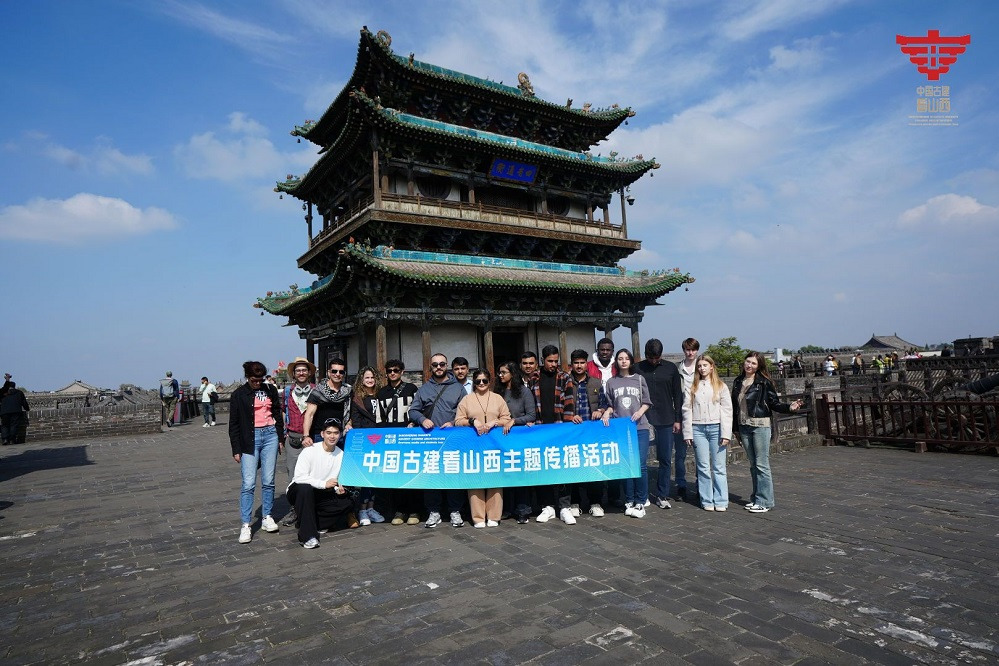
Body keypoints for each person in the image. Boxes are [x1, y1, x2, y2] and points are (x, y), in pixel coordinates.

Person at [731, 351, 803, 514]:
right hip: (743, 426)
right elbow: (735, 408)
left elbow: (774, 403)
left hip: (760, 425)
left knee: (761, 464)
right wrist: (735, 429)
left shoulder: (764, 382)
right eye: (748, 361)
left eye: (753, 363)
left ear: (759, 366)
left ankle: (765, 501)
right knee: (753, 464)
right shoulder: (738, 381)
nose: (749, 365)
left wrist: (789, 407)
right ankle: (756, 498)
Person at [409, 353, 468, 528]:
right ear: (431, 367)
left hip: (453, 437)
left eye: (442, 364)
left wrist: (454, 422)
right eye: (435, 365)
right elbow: (413, 410)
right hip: (431, 439)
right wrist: (422, 419)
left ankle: (455, 510)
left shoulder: (458, 388)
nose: (439, 367)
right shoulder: (424, 389)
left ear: (447, 365)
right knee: (431, 475)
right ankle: (433, 511)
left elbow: (466, 411)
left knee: (453, 473)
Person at [229, 361, 284, 543]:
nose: (257, 383)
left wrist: (280, 437)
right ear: (247, 377)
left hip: (270, 435)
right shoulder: (238, 394)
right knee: (248, 483)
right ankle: (246, 524)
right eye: (254, 380)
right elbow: (234, 423)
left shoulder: (270, 390)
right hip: (249, 438)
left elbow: (277, 413)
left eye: (260, 380)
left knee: (268, 480)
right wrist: (236, 449)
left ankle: (267, 516)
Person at [287, 418, 358, 548]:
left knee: (348, 502)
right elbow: (299, 478)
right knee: (305, 489)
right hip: (300, 491)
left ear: (340, 435)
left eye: (336, 433)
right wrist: (323, 484)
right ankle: (308, 536)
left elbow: (336, 481)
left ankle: (308, 521)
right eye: (329, 433)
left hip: (323, 493)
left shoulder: (341, 454)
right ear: (322, 434)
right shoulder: (310, 450)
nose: (332, 436)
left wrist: (338, 490)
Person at [455, 369, 512, 528]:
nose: (481, 383)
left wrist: (495, 422)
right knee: (475, 479)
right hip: (474, 445)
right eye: (478, 381)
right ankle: (478, 517)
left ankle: (494, 515)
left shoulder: (497, 398)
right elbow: (458, 420)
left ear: (489, 382)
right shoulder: (467, 399)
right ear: (474, 382)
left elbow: (507, 418)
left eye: (484, 381)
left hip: (494, 444)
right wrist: (472, 421)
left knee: (495, 478)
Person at [528, 345, 576, 525]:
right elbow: (530, 404)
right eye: (550, 361)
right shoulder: (534, 378)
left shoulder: (564, 377)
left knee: (563, 467)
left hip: (559, 429)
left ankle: (564, 507)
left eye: (556, 361)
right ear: (543, 360)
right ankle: (547, 506)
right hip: (540, 429)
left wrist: (567, 427)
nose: (553, 364)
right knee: (542, 467)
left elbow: (569, 404)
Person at [602, 348, 652, 518]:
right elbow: (611, 404)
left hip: (639, 427)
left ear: (631, 361)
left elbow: (647, 402)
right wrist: (607, 412)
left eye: (626, 358)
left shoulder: (639, 379)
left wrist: (640, 412)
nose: (623, 361)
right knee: (626, 464)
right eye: (620, 358)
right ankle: (629, 499)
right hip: (621, 429)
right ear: (616, 361)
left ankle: (641, 501)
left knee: (641, 464)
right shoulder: (611, 382)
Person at [636, 338, 683, 510]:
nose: (654, 361)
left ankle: (662, 494)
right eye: (650, 358)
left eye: (657, 358)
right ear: (645, 354)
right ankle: (641, 494)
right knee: (640, 460)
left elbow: (677, 395)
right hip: (643, 419)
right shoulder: (637, 368)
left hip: (666, 418)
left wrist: (677, 419)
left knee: (665, 458)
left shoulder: (671, 368)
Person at [682, 355, 733, 511]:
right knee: (703, 467)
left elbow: (727, 410)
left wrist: (726, 433)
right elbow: (687, 409)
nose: (702, 368)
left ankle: (721, 500)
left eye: (705, 365)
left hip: (716, 427)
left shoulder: (721, 386)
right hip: (698, 428)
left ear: (712, 367)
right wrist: (688, 433)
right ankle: (706, 499)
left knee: (719, 467)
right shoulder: (692, 387)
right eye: (699, 366)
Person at [376, 359, 421, 526]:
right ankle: (400, 510)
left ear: (402, 371)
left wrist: (414, 423)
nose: (392, 373)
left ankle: (415, 510)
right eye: (389, 371)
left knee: (411, 472)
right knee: (395, 475)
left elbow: (418, 409)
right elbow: (379, 418)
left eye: (395, 370)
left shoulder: (411, 389)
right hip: (391, 440)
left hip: (409, 438)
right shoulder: (382, 393)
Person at [496, 361, 536, 523]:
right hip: (501, 439)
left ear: (512, 374)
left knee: (520, 475)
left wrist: (514, 421)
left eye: (504, 372)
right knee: (504, 474)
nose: (500, 375)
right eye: (499, 372)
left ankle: (523, 510)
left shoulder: (524, 392)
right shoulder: (497, 392)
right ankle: (506, 509)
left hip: (520, 439)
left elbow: (531, 415)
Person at [569, 349, 607, 518]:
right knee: (573, 466)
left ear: (587, 364)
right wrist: (570, 416)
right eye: (576, 363)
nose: (579, 366)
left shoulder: (596, 383)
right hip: (572, 432)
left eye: (582, 362)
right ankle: (574, 502)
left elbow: (605, 403)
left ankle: (595, 502)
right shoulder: (565, 382)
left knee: (594, 466)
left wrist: (600, 410)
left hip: (592, 432)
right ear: (571, 364)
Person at [280, 357, 317, 527]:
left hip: (313, 438)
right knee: (293, 475)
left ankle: (313, 509)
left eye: (304, 370)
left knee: (314, 474)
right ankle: (295, 509)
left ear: (309, 373)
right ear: (293, 374)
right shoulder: (288, 392)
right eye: (298, 371)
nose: (301, 373)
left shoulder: (317, 390)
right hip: (293, 438)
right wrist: (284, 434)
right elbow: (283, 411)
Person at [350, 366, 385, 526]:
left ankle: (371, 508)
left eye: (372, 377)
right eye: (367, 378)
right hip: (366, 440)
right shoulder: (358, 398)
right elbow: (356, 421)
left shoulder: (380, 395)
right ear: (361, 380)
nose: (370, 380)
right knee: (365, 475)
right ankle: (362, 509)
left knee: (376, 475)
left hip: (380, 440)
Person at [302, 358, 352, 445]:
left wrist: (349, 423)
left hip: (340, 435)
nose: (337, 374)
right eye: (334, 371)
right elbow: (309, 415)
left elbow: (352, 412)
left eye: (341, 372)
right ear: (329, 373)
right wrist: (306, 436)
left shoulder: (348, 391)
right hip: (320, 435)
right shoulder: (318, 391)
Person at [674, 337, 699, 499]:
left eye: (693, 350)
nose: (690, 353)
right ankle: (681, 484)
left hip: (699, 414)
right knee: (680, 453)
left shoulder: (702, 366)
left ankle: (700, 484)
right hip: (681, 413)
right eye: (687, 350)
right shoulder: (678, 368)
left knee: (700, 454)